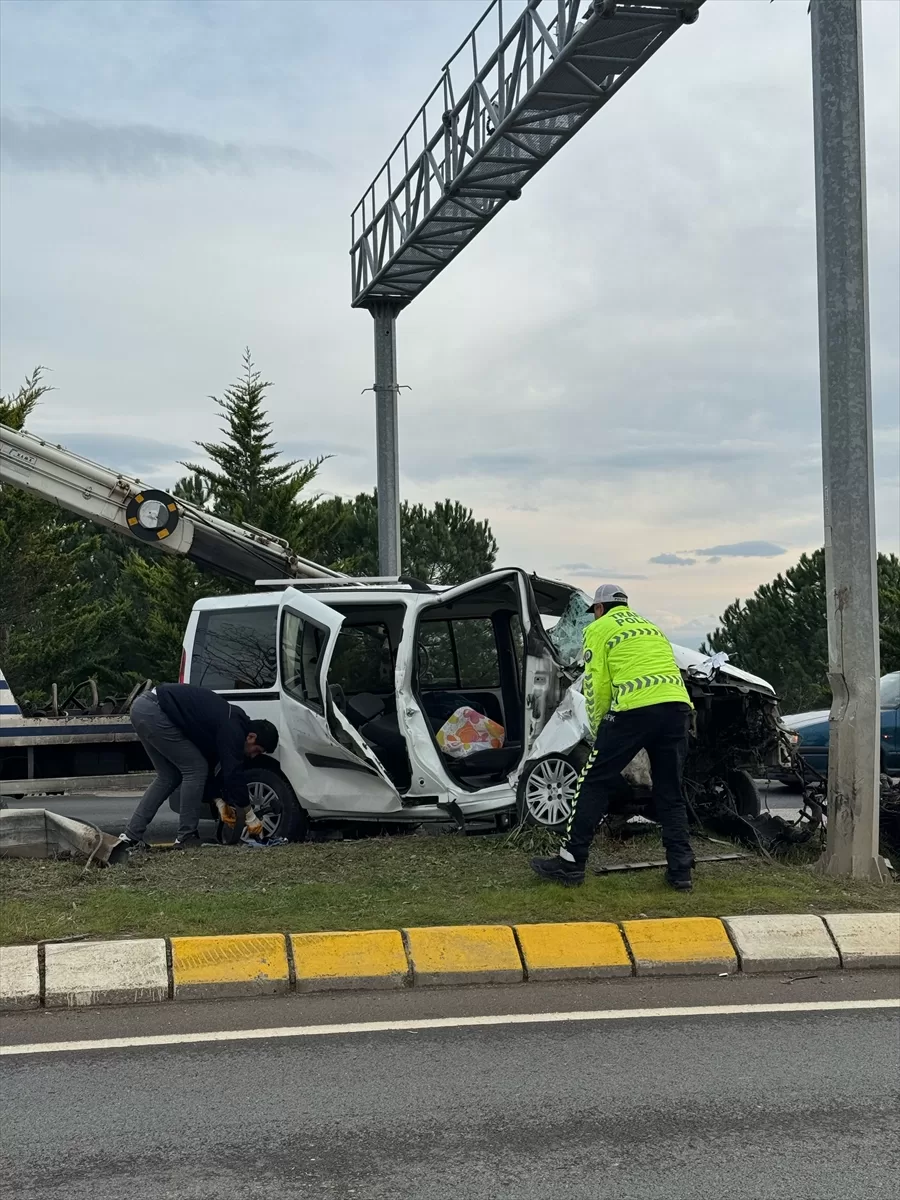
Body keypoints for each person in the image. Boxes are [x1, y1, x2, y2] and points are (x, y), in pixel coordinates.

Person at [531, 584, 695, 891]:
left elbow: (597, 686)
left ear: (599, 608)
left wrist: (596, 733)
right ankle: (681, 871)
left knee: (592, 780)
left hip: (633, 710)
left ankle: (570, 863)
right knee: (670, 791)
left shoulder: (599, 629)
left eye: (594, 610)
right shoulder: (650, 627)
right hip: (677, 709)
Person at [119, 683, 279, 850]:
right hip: (156, 710)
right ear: (251, 737)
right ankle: (186, 837)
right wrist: (250, 814)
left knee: (169, 776)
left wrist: (218, 801)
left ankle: (131, 836)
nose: (253, 756)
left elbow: (211, 766)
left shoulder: (229, 722)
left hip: (143, 708)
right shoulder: (234, 728)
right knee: (195, 769)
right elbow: (233, 774)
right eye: (257, 751)